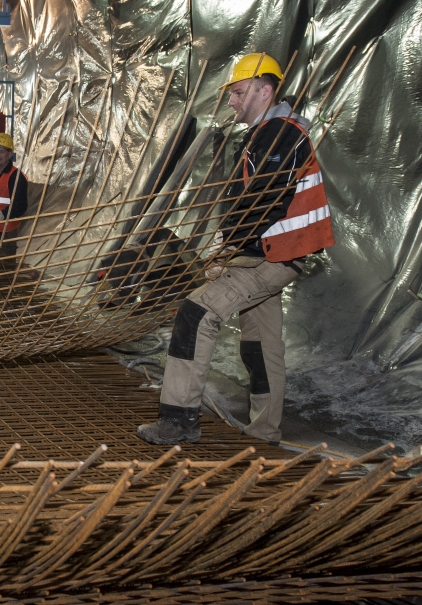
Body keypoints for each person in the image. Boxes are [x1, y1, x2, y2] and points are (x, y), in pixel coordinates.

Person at [137, 53, 334, 446]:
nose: (231, 101)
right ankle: (264, 431)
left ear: (265, 90)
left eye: (239, 92)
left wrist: (227, 248)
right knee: (260, 344)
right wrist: (228, 244)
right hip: (272, 250)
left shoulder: (281, 133)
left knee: (196, 314)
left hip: (270, 253)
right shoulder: (268, 133)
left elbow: (265, 200)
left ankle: (178, 421)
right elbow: (256, 199)